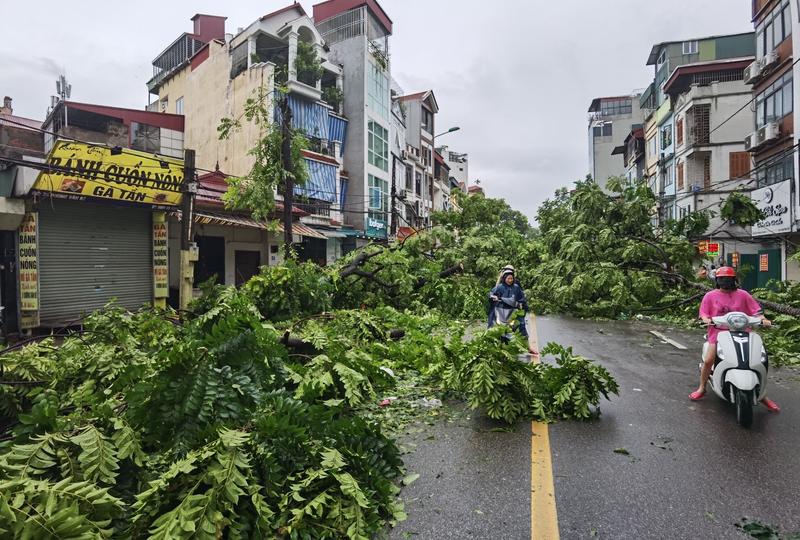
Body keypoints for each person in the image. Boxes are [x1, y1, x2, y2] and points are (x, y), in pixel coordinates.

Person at [690, 266, 780, 412]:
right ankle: (702, 388)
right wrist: (707, 320)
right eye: (722, 279)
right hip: (718, 334)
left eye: (729, 279)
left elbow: (756, 311)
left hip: (743, 333)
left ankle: (763, 395)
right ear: (717, 280)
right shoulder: (710, 296)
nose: (725, 281)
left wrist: (763, 319)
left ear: (734, 280)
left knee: (759, 361)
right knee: (708, 360)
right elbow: (704, 314)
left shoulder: (743, 294)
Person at [489, 269, 530, 339]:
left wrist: (521, 304)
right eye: (508, 278)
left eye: (511, 278)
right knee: (496, 324)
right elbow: (491, 294)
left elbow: (521, 297)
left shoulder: (516, 287)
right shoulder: (499, 287)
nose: (510, 280)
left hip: (513, 311)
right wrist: (493, 297)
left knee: (520, 324)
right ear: (504, 278)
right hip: (501, 311)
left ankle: (524, 338)